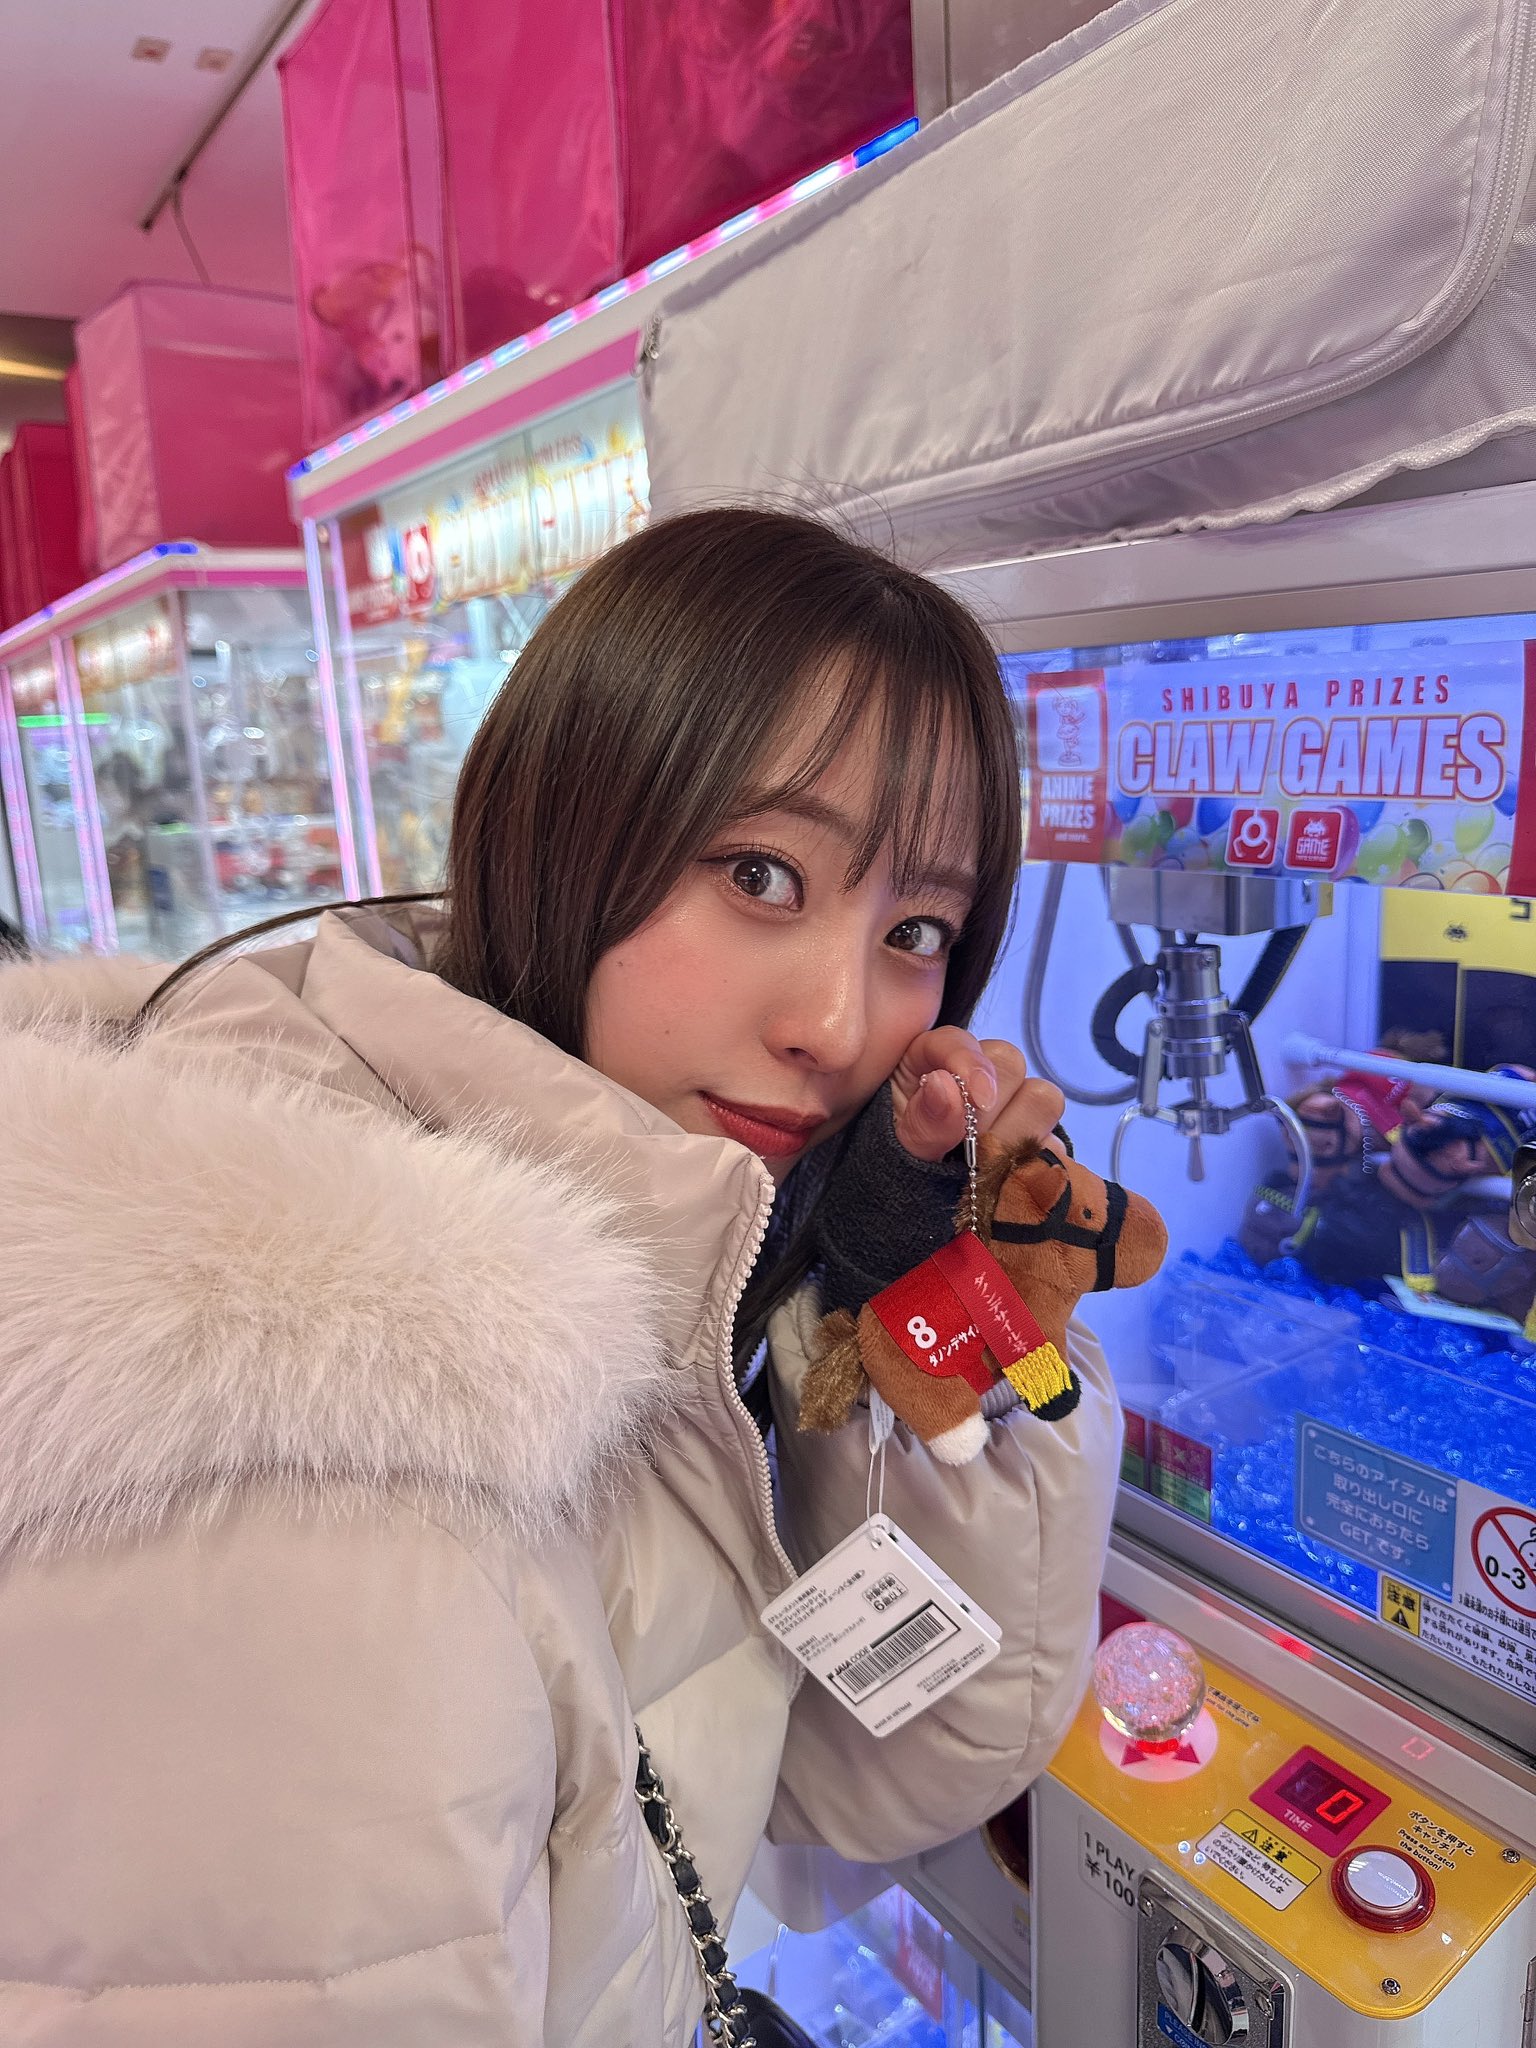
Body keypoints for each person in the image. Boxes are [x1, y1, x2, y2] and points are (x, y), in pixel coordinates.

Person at [0, 508, 1122, 2045]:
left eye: (916, 927)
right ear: (563, 817)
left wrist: (896, 1307)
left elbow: (857, 1767)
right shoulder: (321, 1431)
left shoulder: (644, 1273)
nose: (839, 1023)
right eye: (761, 874)